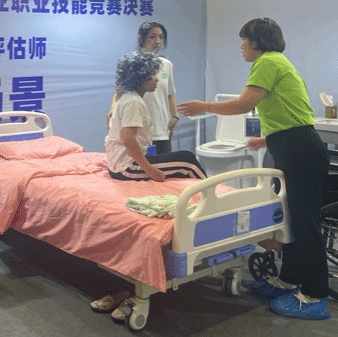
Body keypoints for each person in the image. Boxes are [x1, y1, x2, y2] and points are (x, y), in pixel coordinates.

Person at [177, 18, 331, 320]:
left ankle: (315, 295)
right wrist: (266, 139)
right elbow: (290, 112)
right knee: (289, 218)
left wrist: (204, 106)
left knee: (305, 222)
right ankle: (289, 280)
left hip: (300, 150)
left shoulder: (267, 62)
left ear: (257, 41)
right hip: (293, 146)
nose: (241, 46)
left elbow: (244, 105)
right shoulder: (277, 62)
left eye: (244, 40)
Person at [105, 50, 206, 182]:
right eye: (152, 76)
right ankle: (212, 192)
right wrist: (150, 170)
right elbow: (128, 139)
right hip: (126, 167)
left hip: (121, 163)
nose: (156, 79)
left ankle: (201, 192)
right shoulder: (133, 102)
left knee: (185, 157)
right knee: (188, 162)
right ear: (139, 79)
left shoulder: (130, 98)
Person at [107, 21, 179, 155]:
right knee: (141, 165)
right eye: (152, 37)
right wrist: (113, 110)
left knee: (163, 164)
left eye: (161, 37)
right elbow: (118, 94)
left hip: (161, 129)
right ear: (141, 38)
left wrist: (175, 117)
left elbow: (169, 94)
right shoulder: (132, 64)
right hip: (137, 128)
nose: (158, 41)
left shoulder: (166, 65)